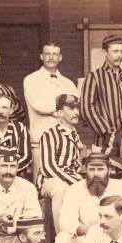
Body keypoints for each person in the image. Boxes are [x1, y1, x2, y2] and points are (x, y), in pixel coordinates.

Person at [23, 42, 78, 178]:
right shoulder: (31, 79)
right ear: (41, 56)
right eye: (47, 54)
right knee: (43, 182)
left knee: (68, 179)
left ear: (60, 57)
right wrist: (63, 109)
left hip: (66, 140)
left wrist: (56, 110)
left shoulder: (68, 83)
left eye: (55, 54)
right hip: (41, 139)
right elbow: (39, 105)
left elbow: (75, 107)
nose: (51, 57)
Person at [80, 35, 122, 148]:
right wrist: (108, 131)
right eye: (115, 51)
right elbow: (86, 108)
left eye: (121, 51)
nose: (119, 55)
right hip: (105, 141)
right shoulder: (94, 77)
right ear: (105, 52)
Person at [38, 94, 85, 233]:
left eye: (77, 108)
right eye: (71, 108)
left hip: (72, 178)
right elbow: (48, 167)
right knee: (62, 189)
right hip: (50, 180)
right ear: (59, 113)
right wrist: (76, 182)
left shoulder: (75, 135)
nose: (76, 112)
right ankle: (62, 235)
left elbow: (76, 165)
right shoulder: (50, 134)